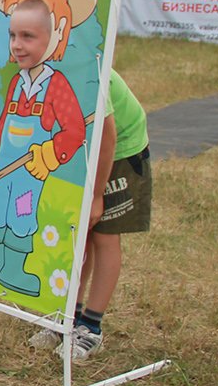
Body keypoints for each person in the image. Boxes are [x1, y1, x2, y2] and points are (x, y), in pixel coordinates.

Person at [0, 0, 93, 297]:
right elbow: (1, 127)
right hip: (3, 167)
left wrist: (51, 155)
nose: (17, 46)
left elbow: (75, 130)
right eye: (13, 36)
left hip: (27, 175)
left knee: (21, 216)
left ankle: (16, 269)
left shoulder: (57, 85)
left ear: (55, 37)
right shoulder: (16, 83)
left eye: (28, 37)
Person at [30, 69, 151, 360]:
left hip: (119, 151)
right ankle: (69, 316)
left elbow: (107, 136)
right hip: (82, 149)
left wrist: (97, 195)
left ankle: (91, 328)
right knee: (78, 234)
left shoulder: (90, 71)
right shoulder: (46, 67)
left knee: (105, 236)